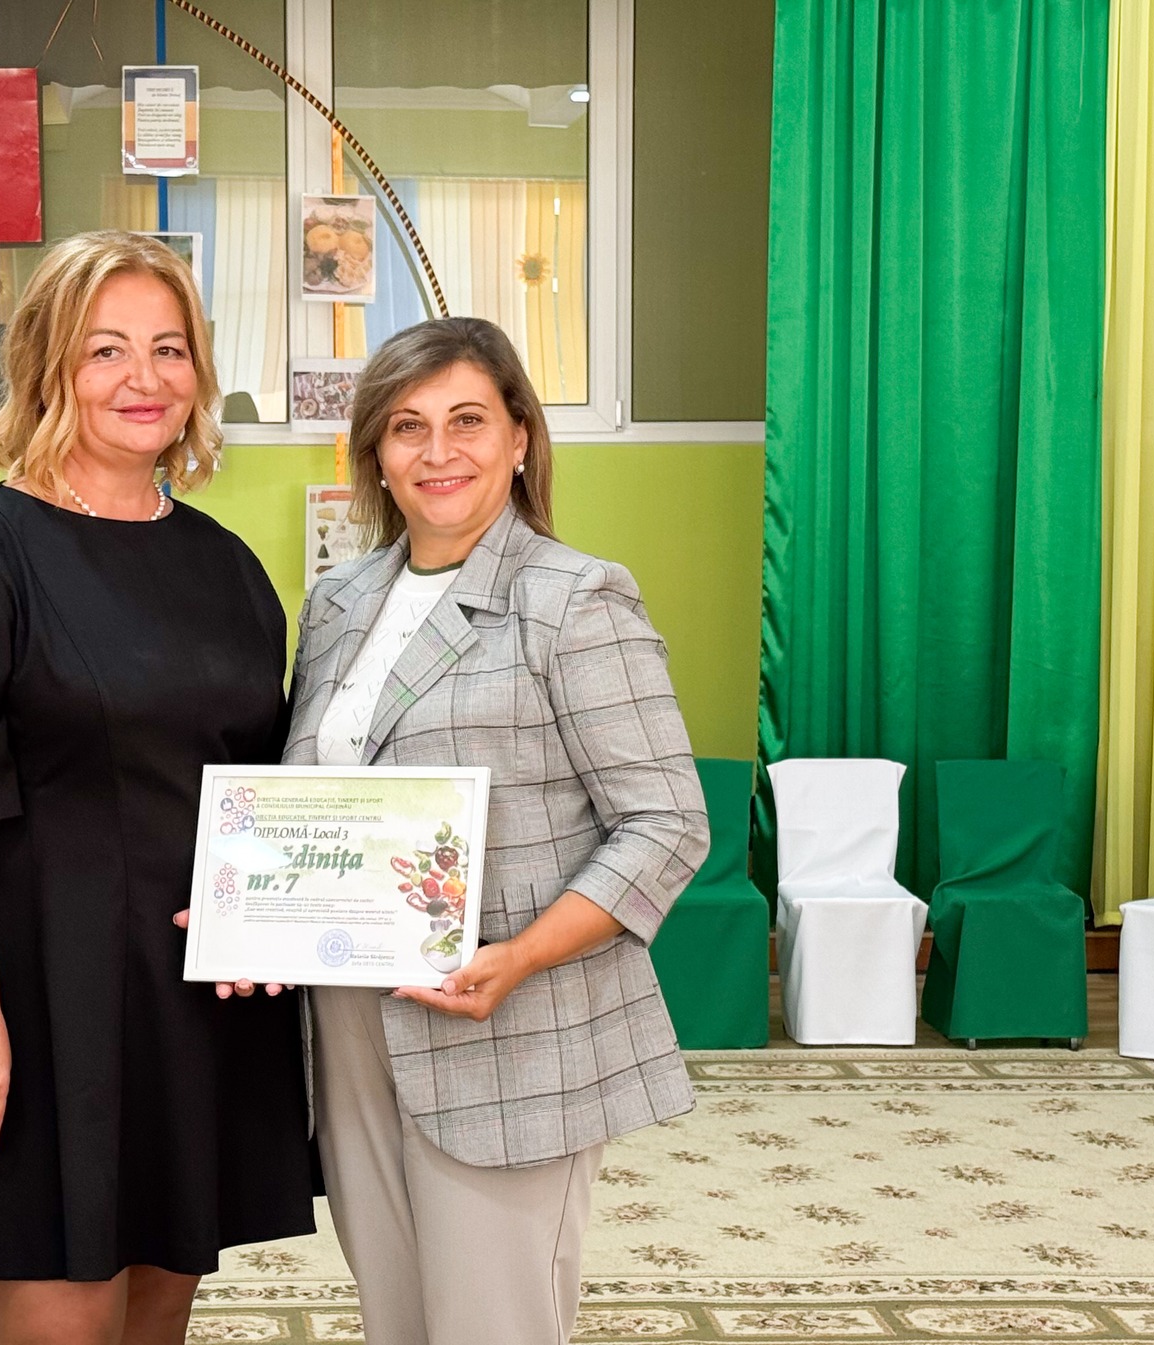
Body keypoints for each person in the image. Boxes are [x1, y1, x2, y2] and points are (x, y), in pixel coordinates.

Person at [0, 231, 316, 1344]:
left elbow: (260, 786)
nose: (142, 378)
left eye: (168, 348)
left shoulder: (224, 563)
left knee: (157, 1323)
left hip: (193, 1002)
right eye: (106, 349)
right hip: (37, 998)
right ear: (46, 365)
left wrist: (268, 915)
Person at [279, 317, 708, 1345]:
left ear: (518, 436)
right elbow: (309, 804)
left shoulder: (572, 598)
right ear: (376, 452)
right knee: (395, 1319)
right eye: (407, 426)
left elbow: (665, 823)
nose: (437, 451)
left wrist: (518, 956)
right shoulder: (337, 602)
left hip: (507, 1024)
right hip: (346, 1021)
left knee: (490, 1325)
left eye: (466, 420)